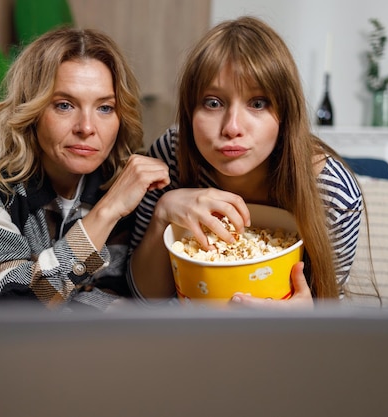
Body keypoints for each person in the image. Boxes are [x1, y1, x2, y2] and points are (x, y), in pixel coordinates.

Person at [128, 16, 363, 309]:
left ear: (285, 114)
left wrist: (308, 317)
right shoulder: (171, 154)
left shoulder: (332, 192)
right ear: (189, 111)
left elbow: (331, 320)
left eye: (257, 103)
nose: (232, 127)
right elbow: (141, 299)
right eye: (213, 102)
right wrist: (163, 213)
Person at [0, 27, 170, 314]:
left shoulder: (126, 173)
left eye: (104, 108)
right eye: (64, 105)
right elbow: (6, 311)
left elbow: (123, 290)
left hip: (92, 346)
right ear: (32, 109)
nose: (87, 128)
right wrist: (108, 211)